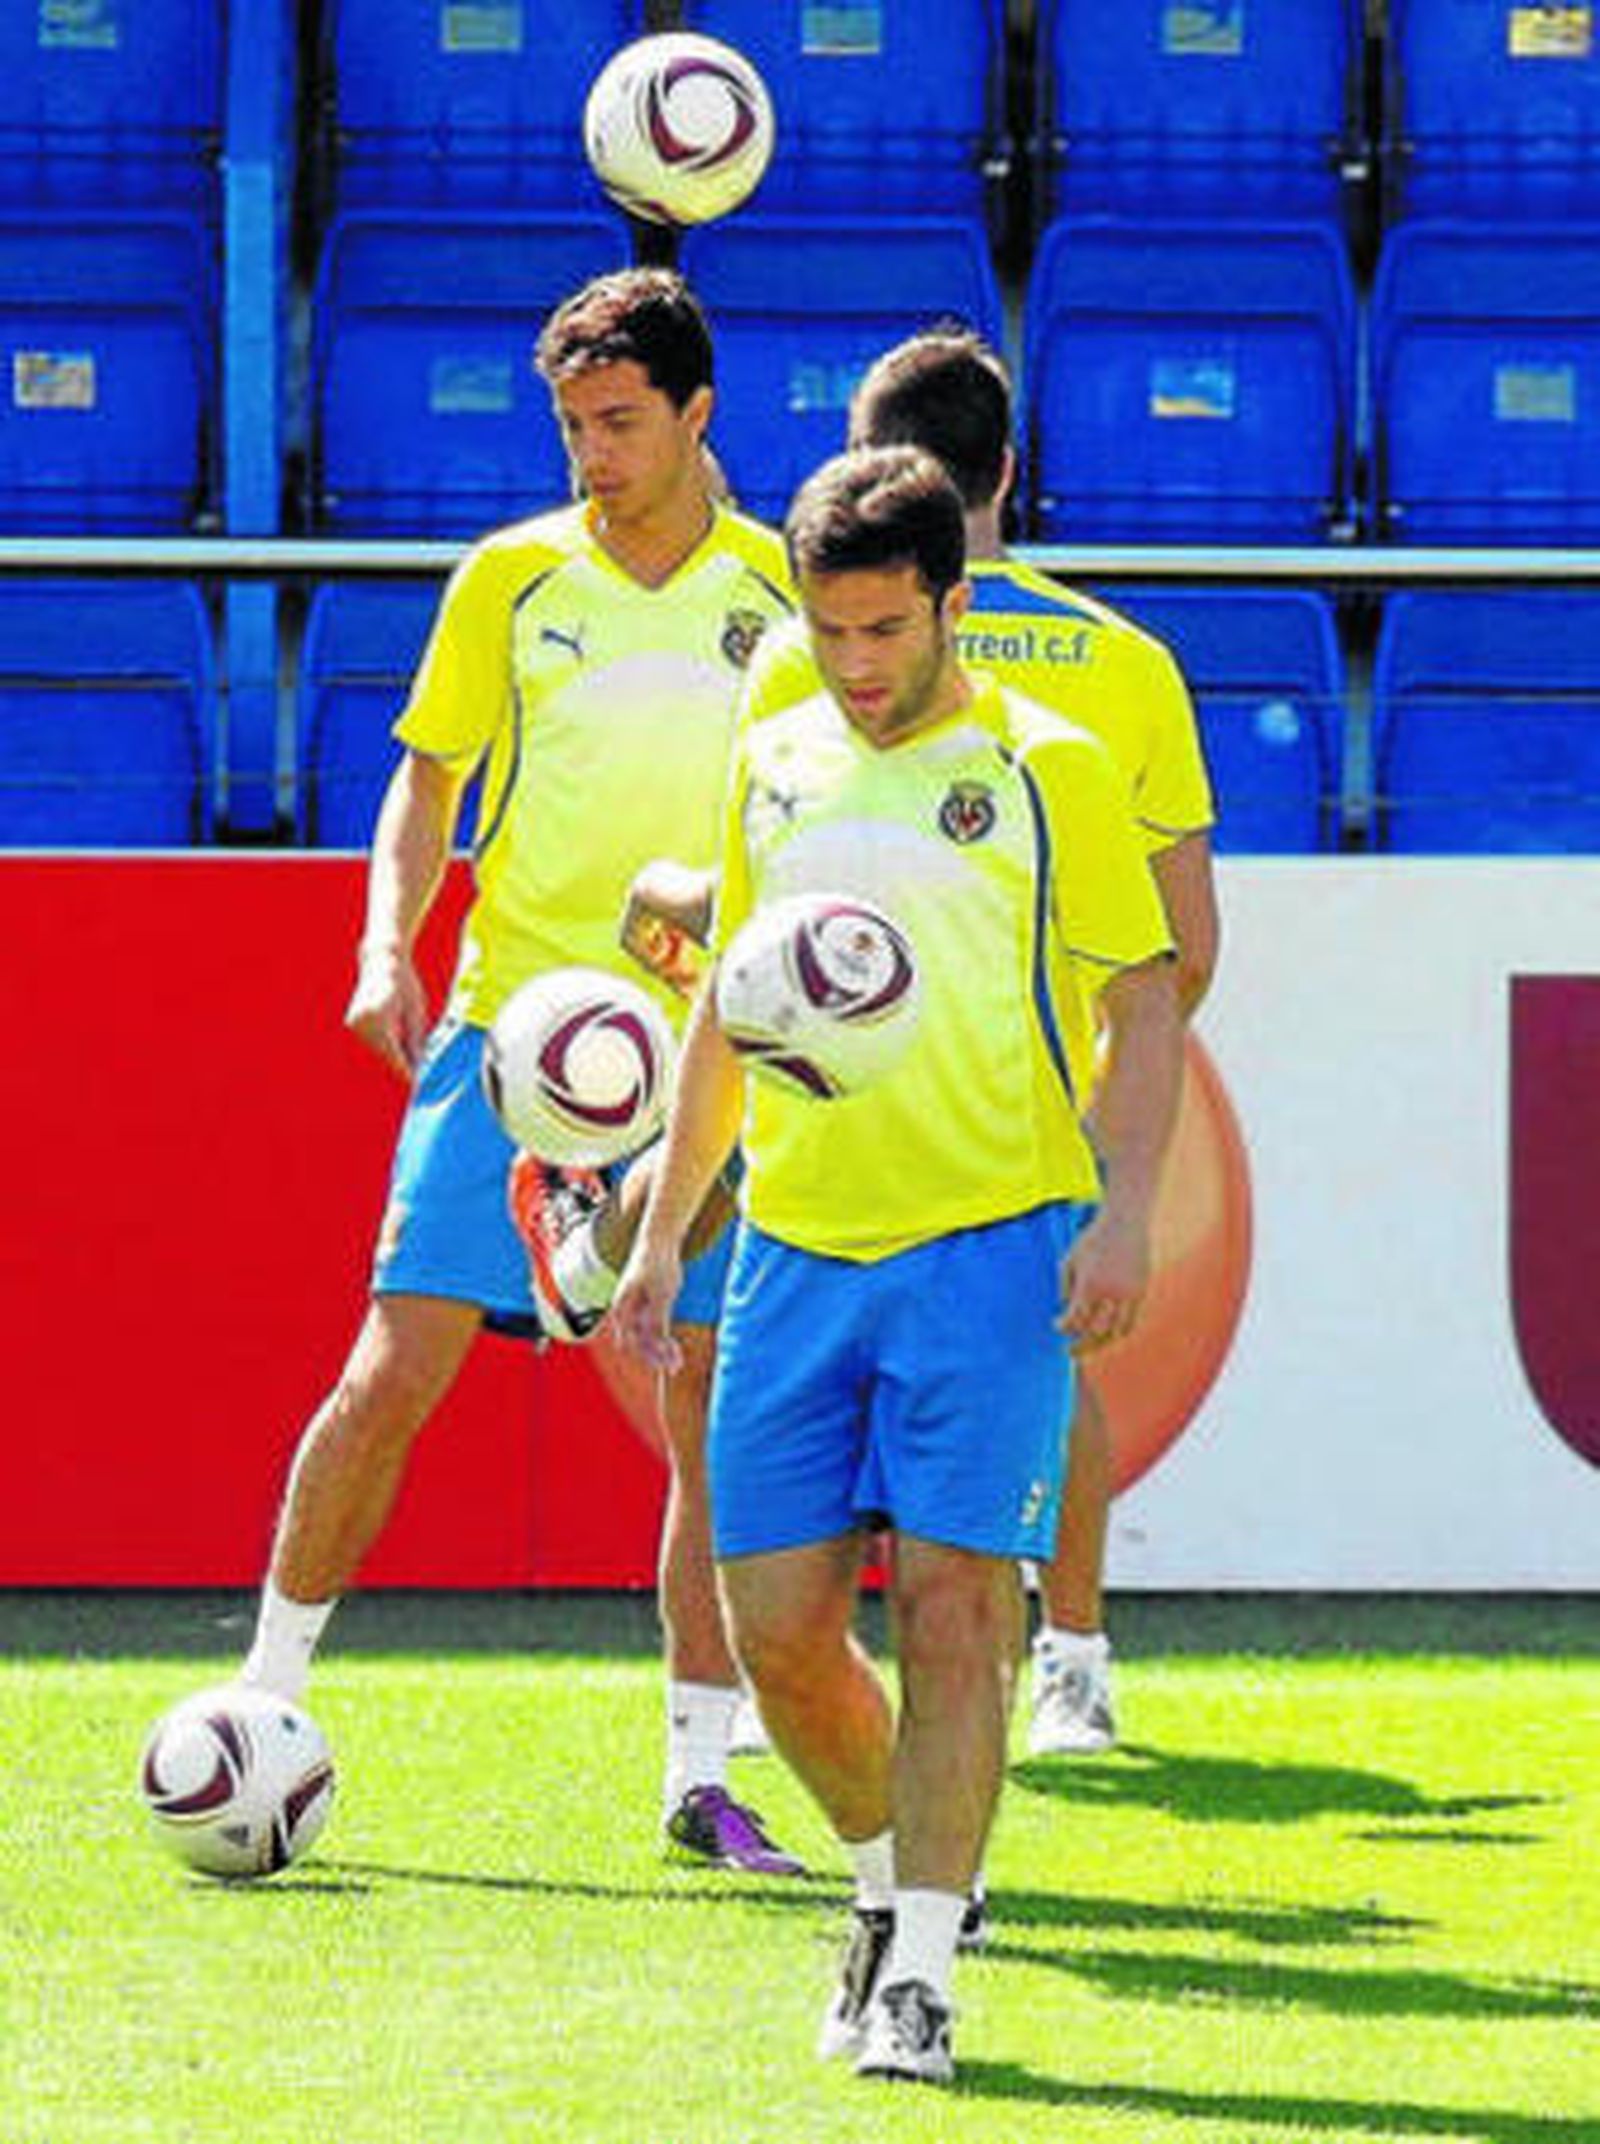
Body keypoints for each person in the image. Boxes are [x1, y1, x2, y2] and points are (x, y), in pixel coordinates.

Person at [612, 446, 1183, 2083]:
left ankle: (926, 1965)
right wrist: (663, 1234)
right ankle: (880, 1886)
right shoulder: (774, 750)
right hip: (793, 1251)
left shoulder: (1048, 766)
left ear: (951, 604)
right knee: (779, 1631)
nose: (856, 667)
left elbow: (1141, 1001)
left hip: (988, 1252)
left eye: (886, 629)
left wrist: (1125, 1208)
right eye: (830, 629)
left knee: (949, 1609)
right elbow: (735, 1008)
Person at [228, 266, 801, 1876]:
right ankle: (264, 1699)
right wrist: (379, 947)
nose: (591, 451)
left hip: (701, 1055)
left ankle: (703, 1774)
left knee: (701, 1414)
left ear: (698, 414)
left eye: (620, 420)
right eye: (572, 423)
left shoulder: (778, 595)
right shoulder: (507, 580)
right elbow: (429, 783)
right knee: (392, 1368)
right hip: (507, 1035)